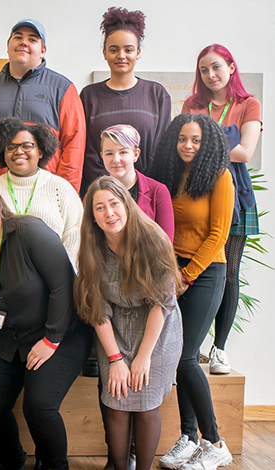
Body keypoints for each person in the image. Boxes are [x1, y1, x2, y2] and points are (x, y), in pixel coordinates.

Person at [0, 175, 91, 470]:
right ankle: (13, 461)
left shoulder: (30, 231)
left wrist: (51, 340)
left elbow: (63, 287)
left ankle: (53, 466)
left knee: (38, 407)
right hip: (10, 341)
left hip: (60, 335)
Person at [75, 176, 183, 470]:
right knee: (116, 402)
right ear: (92, 216)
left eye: (114, 203)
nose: (109, 213)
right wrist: (116, 359)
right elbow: (96, 308)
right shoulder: (90, 248)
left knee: (146, 403)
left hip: (156, 328)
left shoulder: (152, 238)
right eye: (99, 208)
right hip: (113, 329)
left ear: (127, 204)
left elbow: (162, 303)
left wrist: (143, 357)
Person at [148, 114, 234, 470]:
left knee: (185, 358)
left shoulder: (220, 176)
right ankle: (188, 437)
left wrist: (187, 276)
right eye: (183, 138)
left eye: (196, 140)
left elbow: (219, 234)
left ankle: (215, 443)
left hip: (207, 272)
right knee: (177, 358)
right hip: (175, 270)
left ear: (208, 142)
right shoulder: (172, 174)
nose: (188, 145)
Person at [181, 44, 262, 375]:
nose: (210, 75)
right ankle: (192, 346)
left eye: (216, 67)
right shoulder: (193, 105)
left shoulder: (248, 104)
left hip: (234, 194)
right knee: (192, 264)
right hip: (196, 196)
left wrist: (202, 150)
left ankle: (219, 349)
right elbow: (182, 146)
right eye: (203, 70)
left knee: (228, 272)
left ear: (231, 67)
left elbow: (244, 152)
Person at [0, 19, 85, 191]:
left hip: (43, 192)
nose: (24, 42)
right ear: (8, 46)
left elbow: (74, 148)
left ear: (43, 51)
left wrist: (64, 194)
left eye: (33, 39)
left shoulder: (63, 89)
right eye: (18, 37)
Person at [79, 7, 171, 197]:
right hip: (102, 195)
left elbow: (162, 149)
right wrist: (109, 188)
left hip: (147, 194)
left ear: (137, 52)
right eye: (114, 50)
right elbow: (87, 152)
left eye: (128, 49)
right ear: (104, 53)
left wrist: (141, 187)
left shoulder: (156, 94)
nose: (121, 55)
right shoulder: (89, 95)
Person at [0, 118, 83, 267]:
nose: (19, 151)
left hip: (56, 278)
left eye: (27, 146)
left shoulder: (61, 188)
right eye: (11, 147)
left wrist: (64, 275)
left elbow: (75, 235)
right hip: (3, 279)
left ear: (40, 151)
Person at [100, 124, 174, 239]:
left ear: (136, 154)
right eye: (109, 153)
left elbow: (166, 243)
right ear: (102, 156)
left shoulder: (158, 191)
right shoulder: (94, 194)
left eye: (123, 152)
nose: (116, 159)